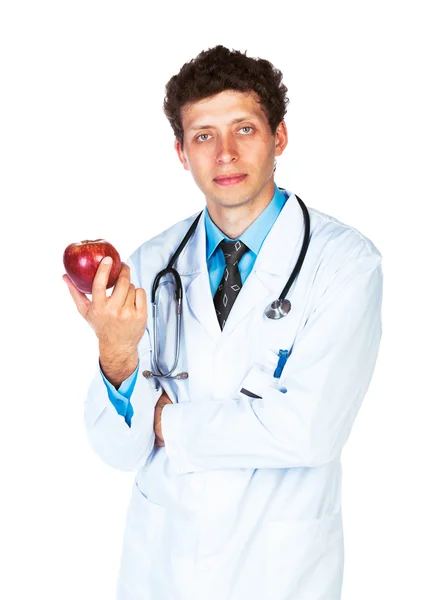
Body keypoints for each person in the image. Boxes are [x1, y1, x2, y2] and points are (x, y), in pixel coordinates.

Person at [63, 45, 383, 600]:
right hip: (162, 567)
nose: (226, 154)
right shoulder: (151, 263)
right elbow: (118, 451)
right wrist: (115, 355)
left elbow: (309, 431)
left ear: (279, 137)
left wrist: (169, 424)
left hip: (280, 572)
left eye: (245, 129)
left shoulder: (345, 263)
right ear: (182, 153)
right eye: (204, 136)